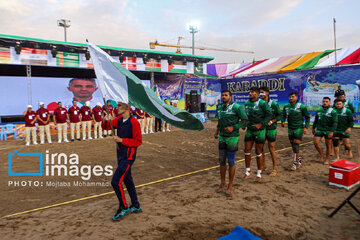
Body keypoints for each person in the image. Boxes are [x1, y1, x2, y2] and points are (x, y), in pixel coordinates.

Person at [110, 102, 142, 221]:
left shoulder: (134, 122)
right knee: (128, 180)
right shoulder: (118, 120)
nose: (117, 108)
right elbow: (107, 126)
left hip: (128, 157)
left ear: (127, 108)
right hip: (120, 155)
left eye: (119, 106)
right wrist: (105, 120)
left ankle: (123, 207)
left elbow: (138, 141)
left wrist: (121, 140)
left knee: (115, 182)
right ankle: (136, 205)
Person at [214, 90, 248, 196]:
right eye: (222, 95)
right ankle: (223, 182)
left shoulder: (237, 107)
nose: (224, 97)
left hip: (232, 138)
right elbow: (220, 121)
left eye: (226, 95)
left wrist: (234, 127)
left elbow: (245, 120)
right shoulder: (219, 107)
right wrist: (217, 131)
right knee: (221, 161)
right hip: (222, 138)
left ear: (230, 97)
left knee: (231, 161)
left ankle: (230, 185)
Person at [243, 87, 272, 182]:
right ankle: (248, 171)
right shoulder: (247, 103)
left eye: (252, 92)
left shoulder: (263, 103)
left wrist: (261, 124)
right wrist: (244, 124)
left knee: (258, 151)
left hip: (260, 131)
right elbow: (246, 115)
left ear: (257, 94)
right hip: (250, 130)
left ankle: (259, 173)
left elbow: (269, 115)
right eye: (250, 92)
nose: (250, 93)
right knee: (247, 150)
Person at [282, 92, 310, 171]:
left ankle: (294, 164)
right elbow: (283, 115)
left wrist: (306, 127)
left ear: (296, 98)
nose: (291, 98)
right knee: (293, 146)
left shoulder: (301, 106)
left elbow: (307, 117)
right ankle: (299, 158)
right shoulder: (286, 106)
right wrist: (283, 121)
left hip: (299, 128)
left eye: (293, 97)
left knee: (296, 145)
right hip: (290, 128)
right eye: (290, 97)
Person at [259, 87, 282, 176]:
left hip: (271, 129)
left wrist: (272, 121)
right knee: (260, 148)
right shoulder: (259, 104)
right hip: (262, 129)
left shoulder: (273, 104)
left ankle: (274, 169)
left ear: (267, 93)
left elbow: (280, 116)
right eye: (260, 93)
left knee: (271, 148)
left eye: (262, 92)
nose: (261, 94)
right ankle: (263, 166)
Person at [313, 97, 338, 165]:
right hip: (319, 129)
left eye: (326, 101)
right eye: (324, 101)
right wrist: (313, 128)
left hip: (328, 131)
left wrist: (332, 131)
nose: (325, 103)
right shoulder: (319, 110)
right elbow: (316, 120)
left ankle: (327, 159)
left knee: (328, 146)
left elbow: (335, 122)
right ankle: (322, 155)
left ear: (330, 103)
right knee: (315, 143)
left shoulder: (333, 111)